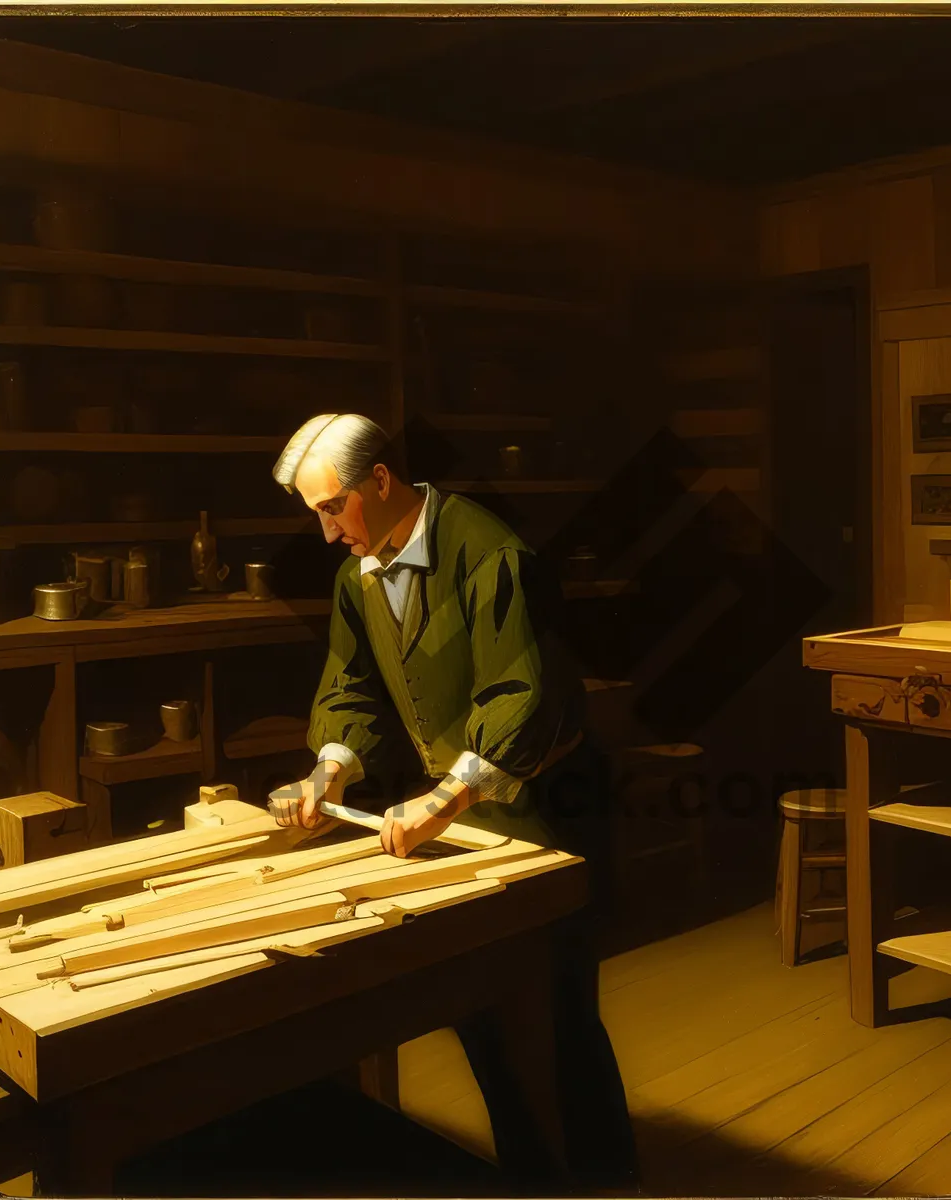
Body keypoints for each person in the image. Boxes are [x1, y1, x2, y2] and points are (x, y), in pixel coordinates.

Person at [267, 413, 637, 1192]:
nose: (330, 532)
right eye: (316, 516)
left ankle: (609, 1183)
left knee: (560, 1017)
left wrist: (444, 798)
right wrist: (328, 771)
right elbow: (351, 687)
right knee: (482, 1014)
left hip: (544, 806)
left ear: (380, 481)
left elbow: (522, 697)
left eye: (335, 508)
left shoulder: (490, 553)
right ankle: (533, 1179)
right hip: (458, 818)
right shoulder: (357, 575)